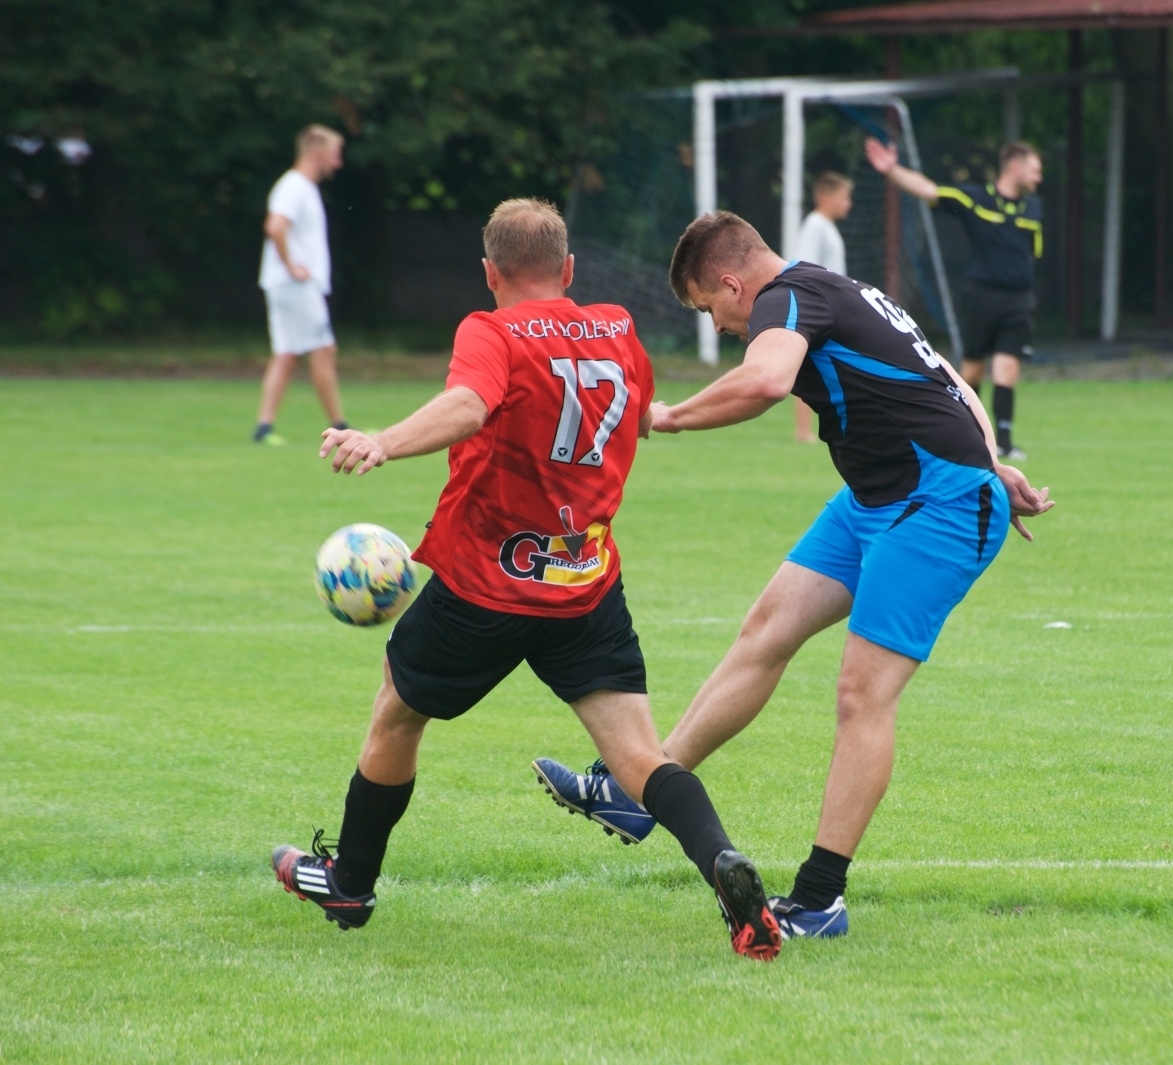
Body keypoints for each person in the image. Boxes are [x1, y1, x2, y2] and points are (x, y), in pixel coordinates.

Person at [271, 198, 783, 962]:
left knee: (396, 715)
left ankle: (349, 881)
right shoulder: (615, 325)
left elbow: (470, 403)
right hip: (585, 584)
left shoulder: (491, 329)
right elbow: (641, 413)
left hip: (485, 587)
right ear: (569, 270)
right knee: (640, 757)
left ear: (490, 273)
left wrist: (382, 439)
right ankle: (724, 865)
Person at [532, 212, 1053, 940]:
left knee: (859, 694)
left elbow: (769, 380)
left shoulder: (788, 298)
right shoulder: (842, 291)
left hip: (937, 504)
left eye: (712, 310)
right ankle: (631, 789)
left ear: (734, 283)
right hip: (878, 497)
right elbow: (953, 388)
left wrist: (669, 417)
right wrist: (991, 458)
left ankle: (819, 899)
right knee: (765, 632)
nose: (720, 328)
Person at [865, 137, 1043, 461]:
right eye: (1034, 169)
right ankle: (965, 435)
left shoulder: (1034, 208)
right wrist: (892, 171)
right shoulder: (976, 198)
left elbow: (1033, 254)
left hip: (1018, 300)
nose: (1038, 178)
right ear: (1014, 167)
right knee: (972, 372)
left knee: (1006, 369)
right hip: (981, 297)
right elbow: (930, 190)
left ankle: (1003, 441)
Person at [254, 124, 349, 446]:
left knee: (286, 354)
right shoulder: (295, 186)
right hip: (296, 285)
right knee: (323, 350)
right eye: (335, 155)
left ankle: (263, 428)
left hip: (282, 284)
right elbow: (275, 226)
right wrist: (292, 264)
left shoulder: (299, 186)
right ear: (318, 153)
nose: (337, 163)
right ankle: (341, 425)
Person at [791, 171, 854, 443]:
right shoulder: (815, 225)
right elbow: (806, 265)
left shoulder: (827, 226)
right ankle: (803, 431)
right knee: (809, 366)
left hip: (832, 306)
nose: (848, 203)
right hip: (819, 306)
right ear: (825, 197)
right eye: (843, 197)